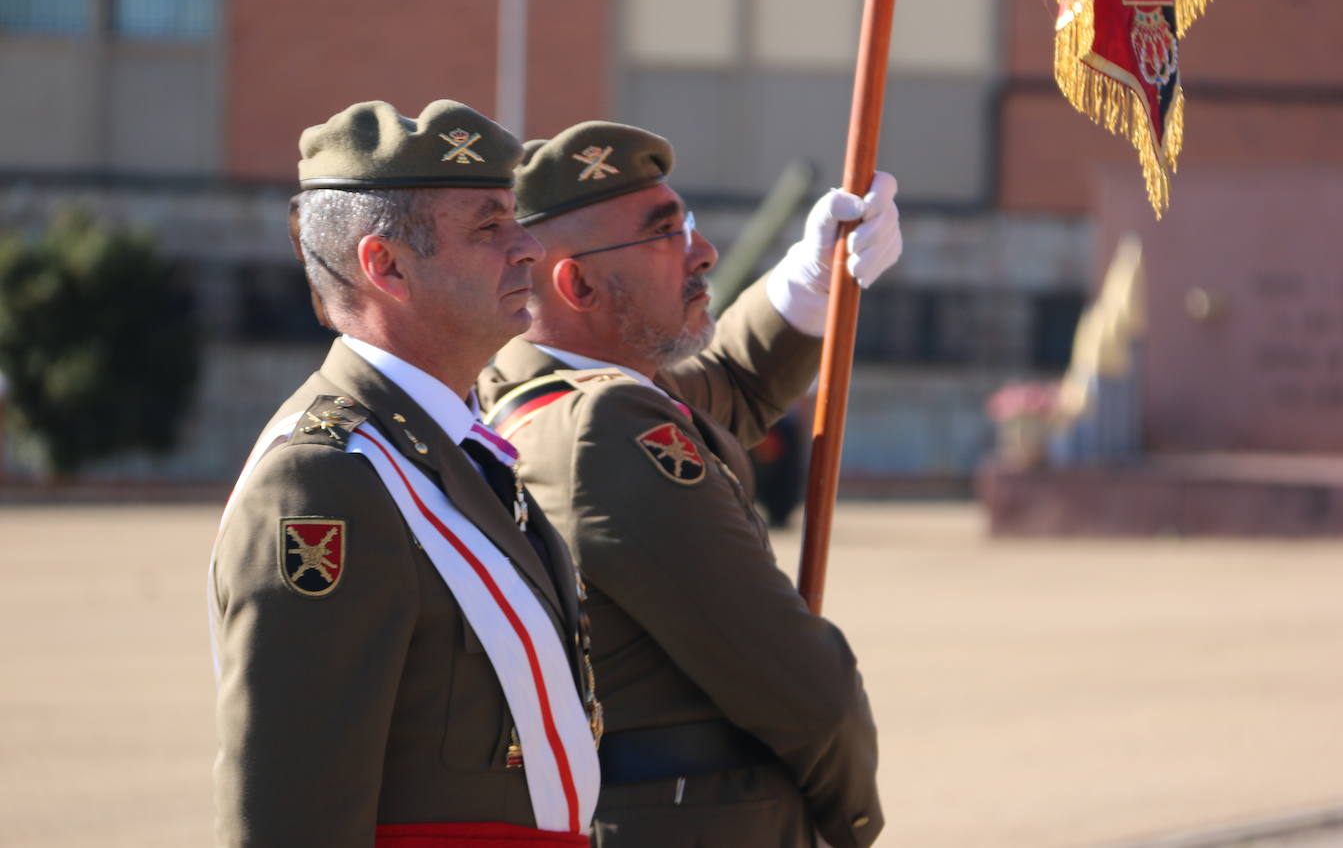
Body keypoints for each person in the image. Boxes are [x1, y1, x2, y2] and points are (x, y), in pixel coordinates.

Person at [478, 121, 901, 848]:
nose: (702, 252)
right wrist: (851, 821)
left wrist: (809, 279)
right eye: (664, 233)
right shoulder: (604, 426)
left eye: (690, 224)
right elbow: (805, 690)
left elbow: (727, 391)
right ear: (576, 283)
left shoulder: (545, 394)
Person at [209, 100, 601, 847]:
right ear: (385, 265)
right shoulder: (328, 480)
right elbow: (293, 809)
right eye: (490, 227)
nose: (528, 249)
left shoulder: (453, 445)